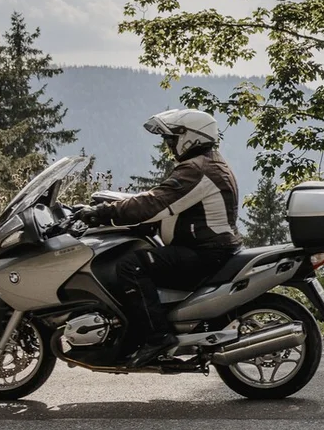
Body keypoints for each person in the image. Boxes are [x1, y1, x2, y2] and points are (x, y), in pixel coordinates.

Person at [71, 109, 242, 367]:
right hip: (208, 249)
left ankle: (157, 336)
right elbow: (167, 202)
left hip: (206, 253)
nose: (169, 145)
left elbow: (155, 203)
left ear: (191, 137)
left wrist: (101, 214)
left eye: (172, 139)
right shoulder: (207, 163)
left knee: (130, 266)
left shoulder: (197, 169)